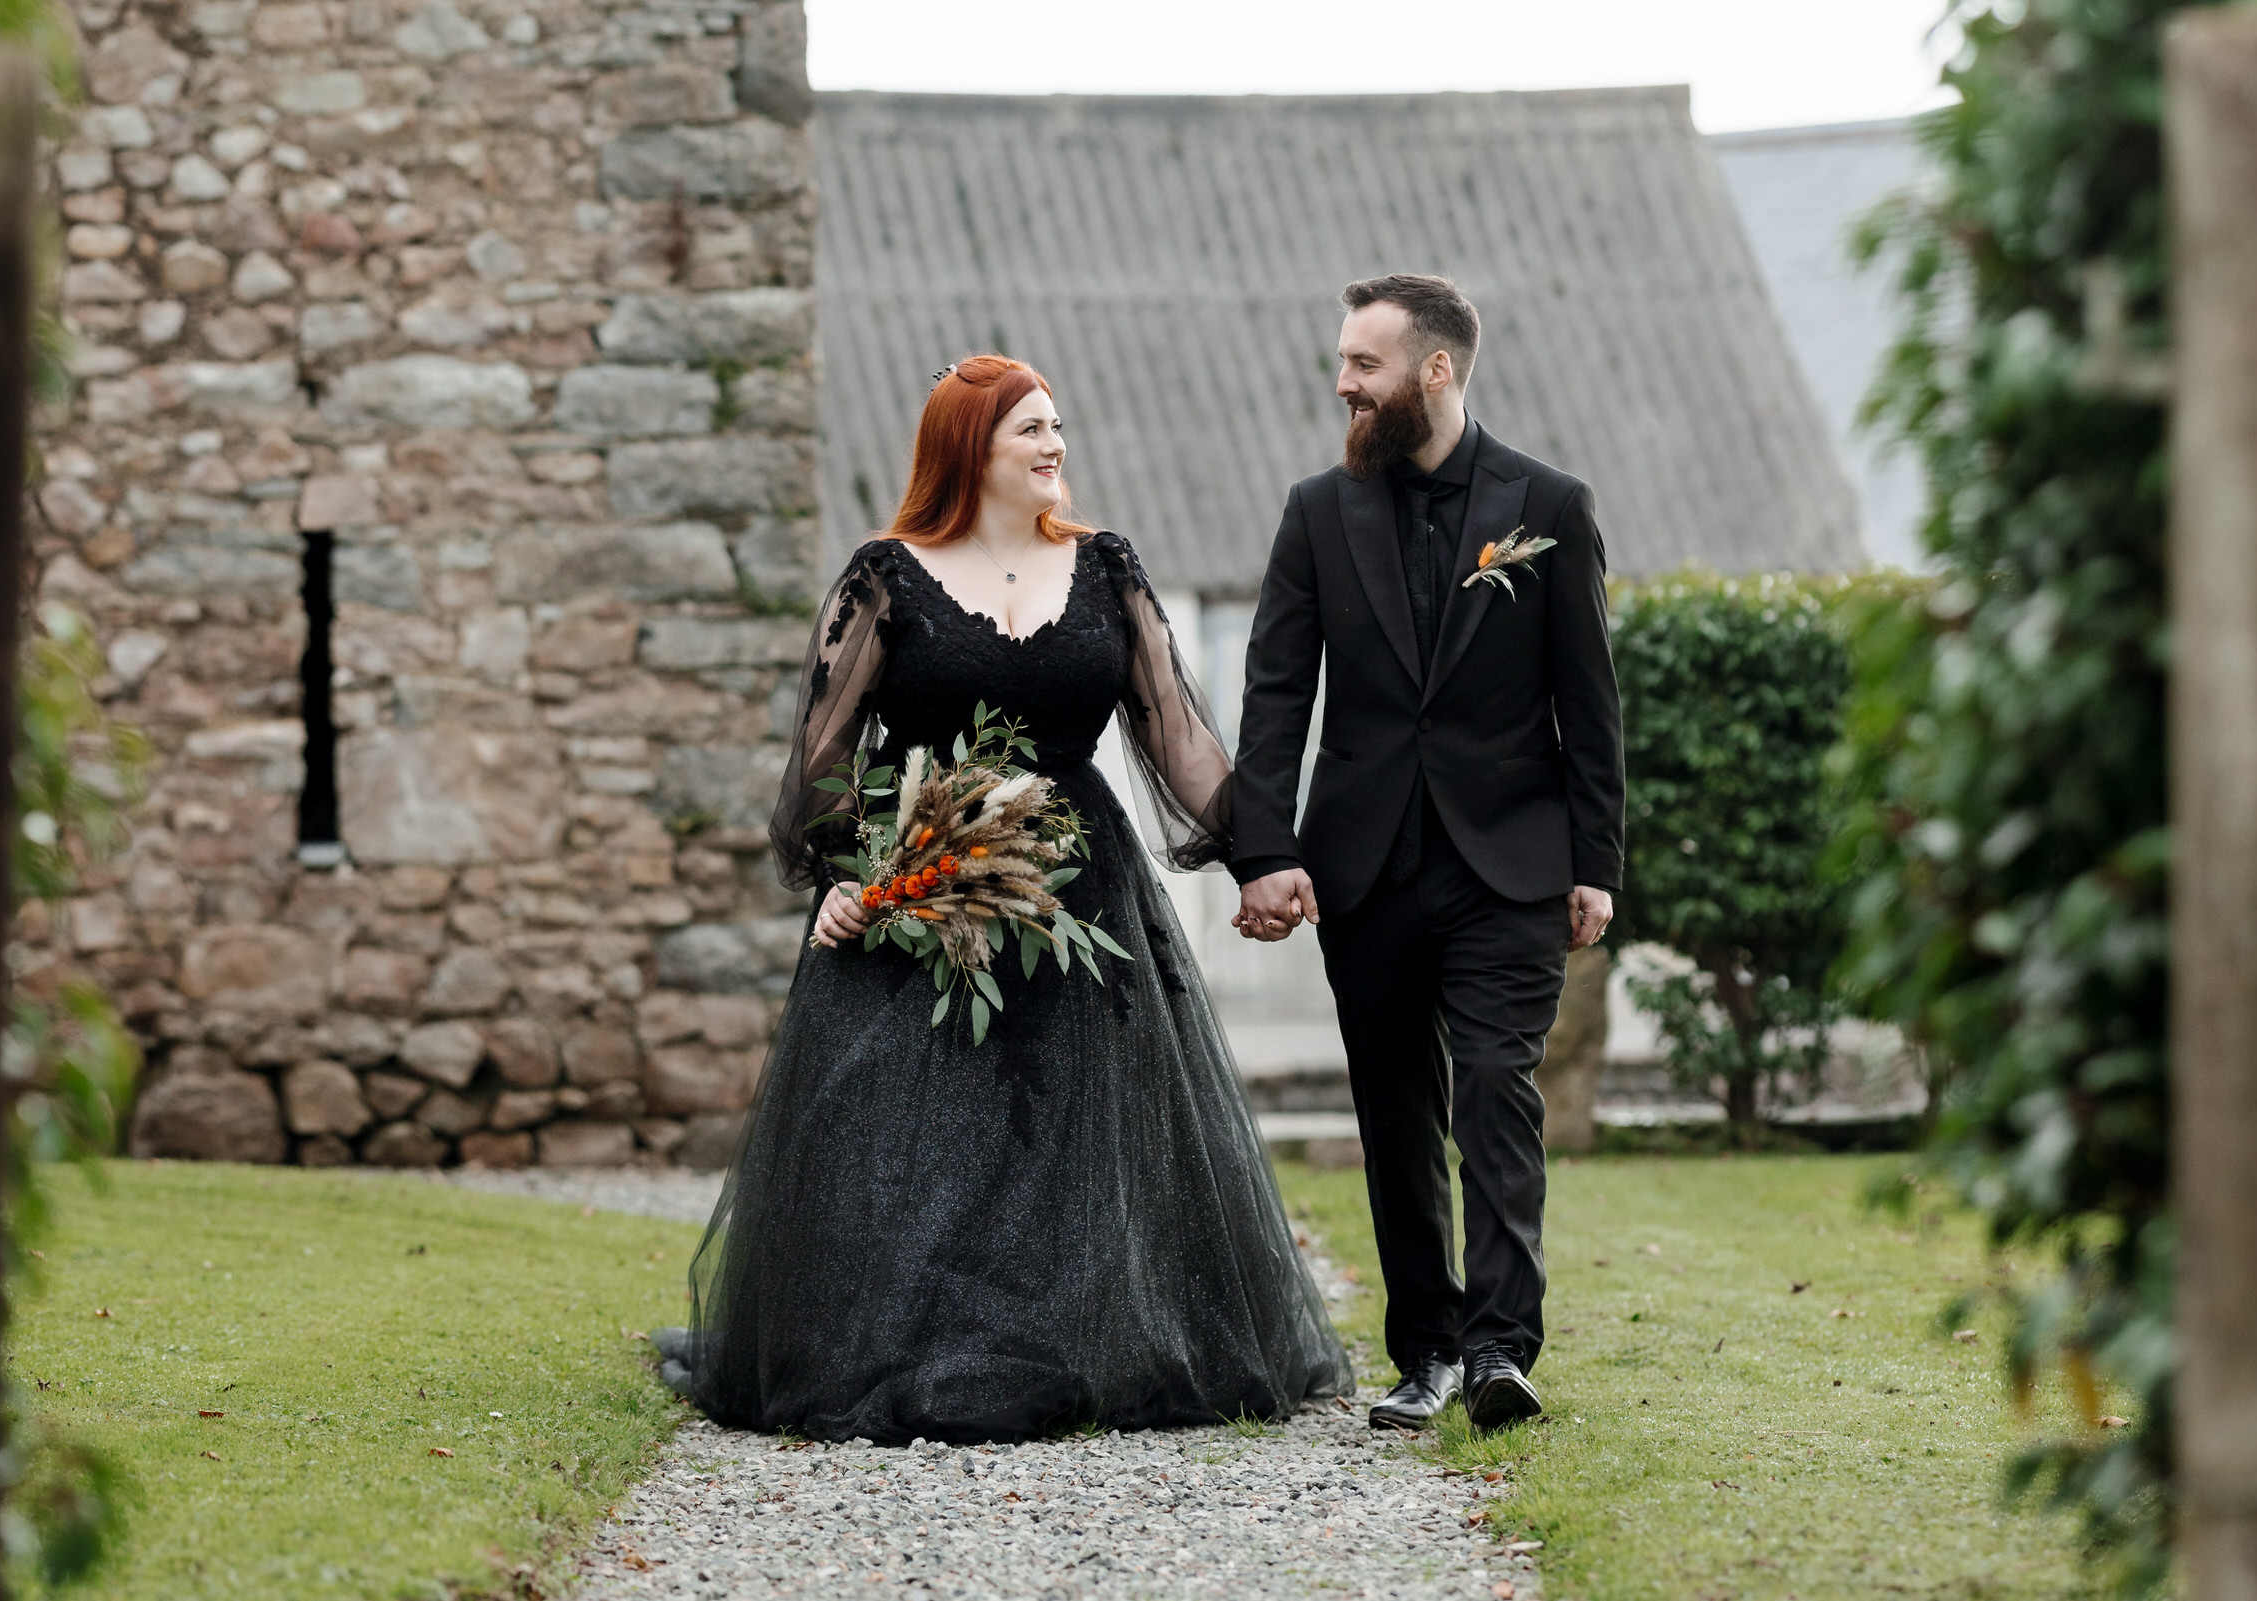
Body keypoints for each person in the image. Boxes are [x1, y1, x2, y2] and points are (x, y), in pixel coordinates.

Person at [656, 355, 1352, 1443]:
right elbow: (825, 764)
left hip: (1083, 887)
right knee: (916, 1130)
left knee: (1076, 1130)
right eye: (1031, 427)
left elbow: (1180, 740)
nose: (1054, 444)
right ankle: (907, 1346)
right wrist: (851, 878)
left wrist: (1265, 852)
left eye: (1058, 425)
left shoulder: (1106, 568)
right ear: (968, 445)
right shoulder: (885, 577)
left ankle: (1083, 1343)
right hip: (920, 881)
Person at [1229, 275, 1624, 1435]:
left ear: (1434, 371)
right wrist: (1266, 848)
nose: (1341, 382)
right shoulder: (1316, 511)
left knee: (1498, 1089)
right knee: (1396, 1109)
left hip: (1510, 860)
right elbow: (1275, 692)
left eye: (1363, 363)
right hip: (1366, 865)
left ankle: (1503, 1348)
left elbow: (1589, 703)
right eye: (1343, 361)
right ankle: (1428, 1351)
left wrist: (1594, 861)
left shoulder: (1548, 502)